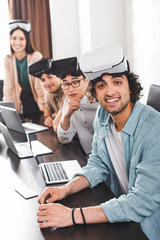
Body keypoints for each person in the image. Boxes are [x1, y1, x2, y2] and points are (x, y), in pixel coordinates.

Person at [37, 45, 160, 240]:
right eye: (101, 85)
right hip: (123, 214)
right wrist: (65, 189)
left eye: (117, 82)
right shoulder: (103, 115)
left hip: (148, 227)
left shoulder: (154, 128)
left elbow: (141, 203)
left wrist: (72, 215)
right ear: (94, 91)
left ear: (130, 86)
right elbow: (98, 163)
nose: (110, 92)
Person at [55, 57, 98, 156]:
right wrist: (66, 116)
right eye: (65, 84)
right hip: (88, 158)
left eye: (75, 82)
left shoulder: (98, 100)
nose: (70, 89)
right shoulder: (68, 102)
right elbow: (64, 139)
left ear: (86, 81)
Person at [3, 19, 47, 115]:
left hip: (38, 96)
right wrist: (7, 110)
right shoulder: (8, 59)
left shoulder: (36, 56)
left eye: (21, 39)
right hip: (25, 97)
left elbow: (40, 86)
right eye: (14, 38)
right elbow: (8, 87)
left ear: (27, 40)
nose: (17, 42)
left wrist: (45, 108)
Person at [28, 58, 65, 129]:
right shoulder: (49, 94)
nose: (47, 83)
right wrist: (47, 116)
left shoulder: (67, 91)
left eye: (50, 77)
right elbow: (46, 107)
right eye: (43, 80)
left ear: (60, 76)